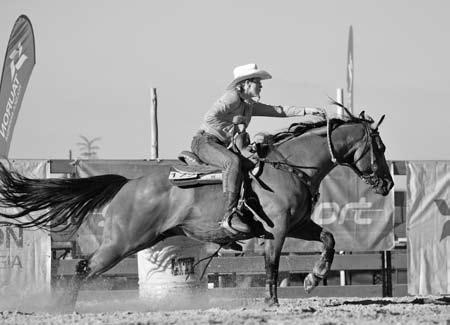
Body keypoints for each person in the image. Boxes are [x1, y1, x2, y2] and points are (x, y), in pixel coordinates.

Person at [191, 63, 325, 235]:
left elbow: (278, 110)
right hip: (205, 142)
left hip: (219, 144)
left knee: (254, 163)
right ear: (246, 83)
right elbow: (209, 117)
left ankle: (244, 212)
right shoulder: (232, 98)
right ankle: (229, 215)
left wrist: (307, 110)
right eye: (257, 82)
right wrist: (233, 129)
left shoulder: (249, 105)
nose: (261, 85)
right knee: (233, 163)